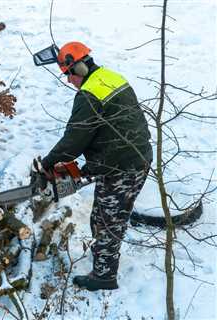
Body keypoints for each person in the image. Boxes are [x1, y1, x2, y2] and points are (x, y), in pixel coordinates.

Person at [34, 42, 153, 291]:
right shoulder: (110, 77)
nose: (68, 81)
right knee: (102, 214)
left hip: (123, 167)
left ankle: (104, 277)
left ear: (79, 68)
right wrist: (87, 169)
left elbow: (75, 139)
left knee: (109, 222)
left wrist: (49, 163)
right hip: (129, 157)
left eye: (69, 74)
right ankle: (101, 257)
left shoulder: (88, 95)